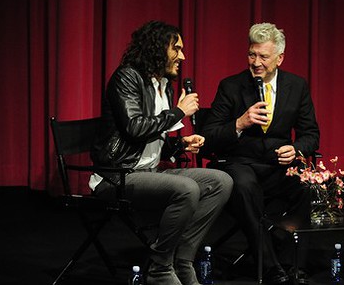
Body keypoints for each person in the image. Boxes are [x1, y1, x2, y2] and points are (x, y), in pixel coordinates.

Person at [90, 20, 233, 285]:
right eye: (176, 49)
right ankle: (160, 267)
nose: (182, 56)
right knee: (187, 188)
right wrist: (179, 113)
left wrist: (179, 144)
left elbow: (151, 141)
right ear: (157, 48)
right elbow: (134, 128)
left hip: (149, 172)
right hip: (117, 175)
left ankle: (183, 259)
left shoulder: (163, 84)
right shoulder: (127, 77)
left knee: (220, 181)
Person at [201, 22, 320, 285]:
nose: (256, 62)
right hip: (241, 163)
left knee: (306, 186)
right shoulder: (231, 86)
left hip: (279, 167)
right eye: (251, 55)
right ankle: (270, 268)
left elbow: (311, 134)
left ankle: (292, 264)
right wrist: (239, 124)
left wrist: (296, 148)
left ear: (279, 58)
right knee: (243, 186)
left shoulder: (297, 86)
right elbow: (208, 136)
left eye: (263, 57)